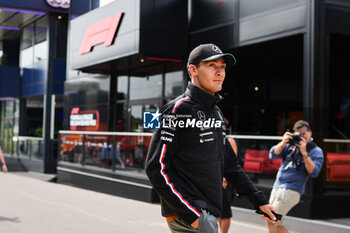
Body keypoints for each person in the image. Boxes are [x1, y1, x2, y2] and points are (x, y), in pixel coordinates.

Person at [145, 43, 278, 233]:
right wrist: (193, 215)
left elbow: (229, 164)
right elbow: (156, 167)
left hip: (209, 211)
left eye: (222, 67)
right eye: (211, 66)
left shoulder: (215, 112)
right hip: (190, 215)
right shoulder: (177, 110)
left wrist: (259, 201)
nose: (219, 72)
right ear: (193, 70)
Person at [266, 120, 324, 233]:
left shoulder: (316, 151)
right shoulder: (290, 145)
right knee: (272, 220)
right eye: (298, 134)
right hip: (277, 186)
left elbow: (314, 172)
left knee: (272, 219)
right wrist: (283, 142)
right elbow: (272, 155)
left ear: (310, 133)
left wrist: (304, 152)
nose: (300, 137)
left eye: (303, 134)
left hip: (292, 189)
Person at [219, 136, 237, 233]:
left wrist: (225, 177)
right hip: (215, 179)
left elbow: (232, 161)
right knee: (218, 210)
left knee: (225, 212)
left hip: (225, 179)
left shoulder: (230, 140)